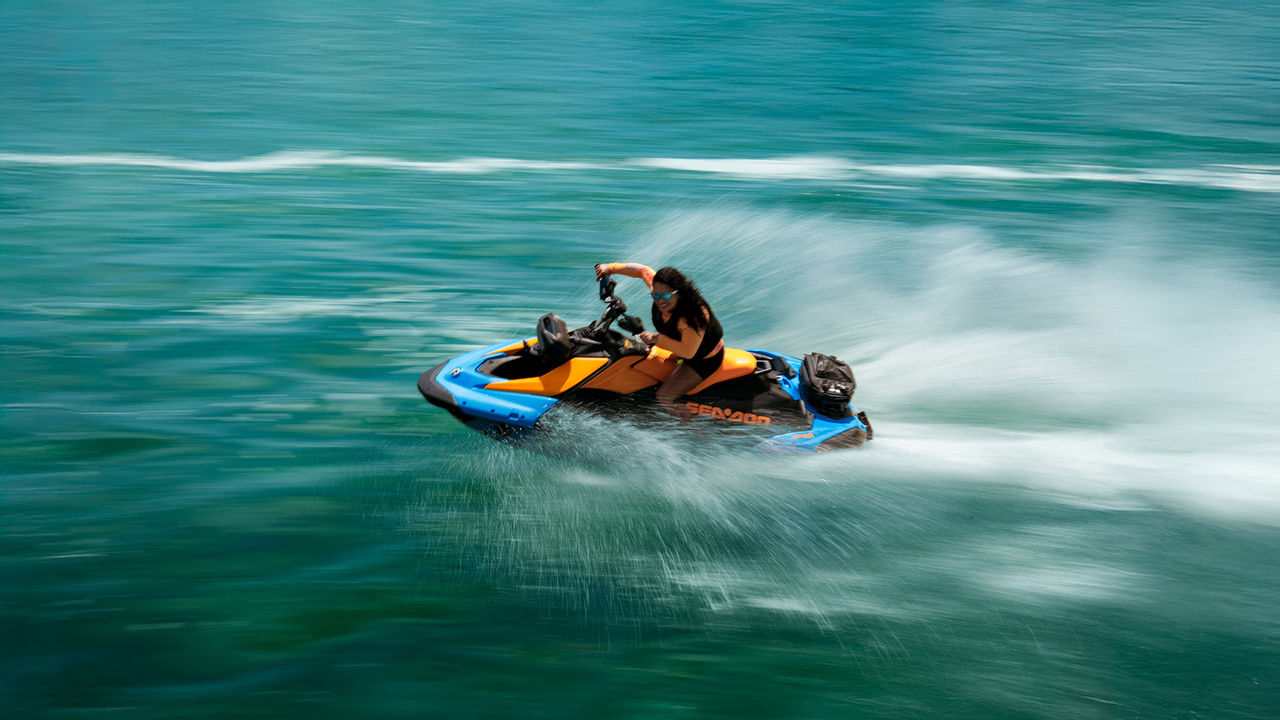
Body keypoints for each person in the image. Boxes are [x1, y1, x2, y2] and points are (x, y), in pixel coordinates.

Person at [594, 262, 725, 412]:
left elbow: (688, 352)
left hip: (703, 359)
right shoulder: (661, 290)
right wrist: (610, 268)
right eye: (655, 295)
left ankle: (693, 431)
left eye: (666, 296)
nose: (660, 300)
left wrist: (657, 339)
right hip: (678, 348)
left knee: (664, 396)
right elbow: (642, 270)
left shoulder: (694, 315)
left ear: (679, 292)